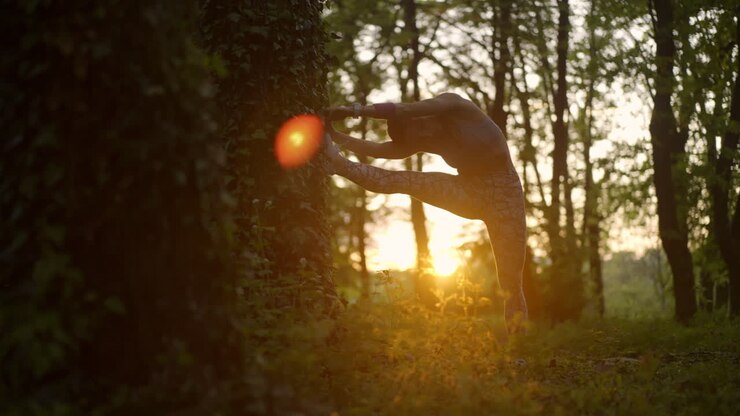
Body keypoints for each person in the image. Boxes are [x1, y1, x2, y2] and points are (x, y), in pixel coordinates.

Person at [324, 92, 527, 333]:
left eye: (421, 128)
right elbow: (381, 150)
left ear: (419, 116)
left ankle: (519, 345)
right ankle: (336, 163)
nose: (424, 136)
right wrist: (334, 135)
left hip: (506, 196)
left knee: (510, 280)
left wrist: (354, 110)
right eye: (417, 138)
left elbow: (405, 110)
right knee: (404, 181)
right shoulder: (423, 138)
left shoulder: (453, 106)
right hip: (470, 192)